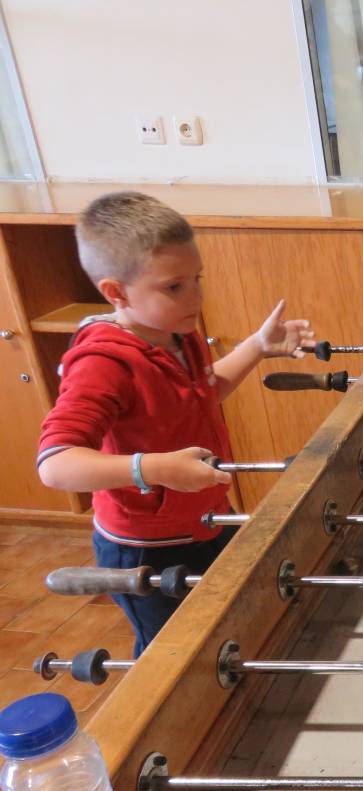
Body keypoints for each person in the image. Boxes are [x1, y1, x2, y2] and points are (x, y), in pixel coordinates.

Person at [35, 191, 314, 656]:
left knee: (229, 633)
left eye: (196, 279)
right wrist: (157, 469)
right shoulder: (103, 361)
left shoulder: (176, 334)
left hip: (205, 520)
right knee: (172, 659)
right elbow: (56, 463)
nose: (196, 297)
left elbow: (201, 395)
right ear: (115, 293)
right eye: (174, 287)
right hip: (145, 549)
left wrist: (257, 347)